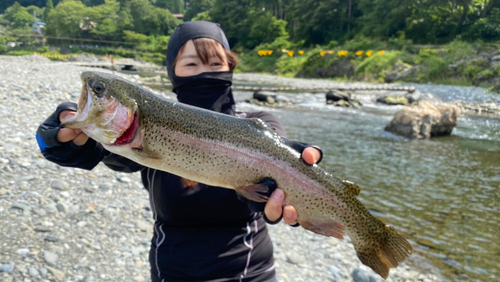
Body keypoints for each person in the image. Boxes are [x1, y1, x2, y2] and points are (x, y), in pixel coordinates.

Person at [36, 21, 323, 282]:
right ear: (173, 71)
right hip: (173, 273)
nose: (204, 72)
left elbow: (276, 185)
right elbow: (75, 151)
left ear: (230, 66)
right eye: (191, 64)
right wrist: (60, 135)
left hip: (252, 273)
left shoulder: (260, 124)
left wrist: (272, 201)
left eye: (214, 63)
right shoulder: (143, 130)